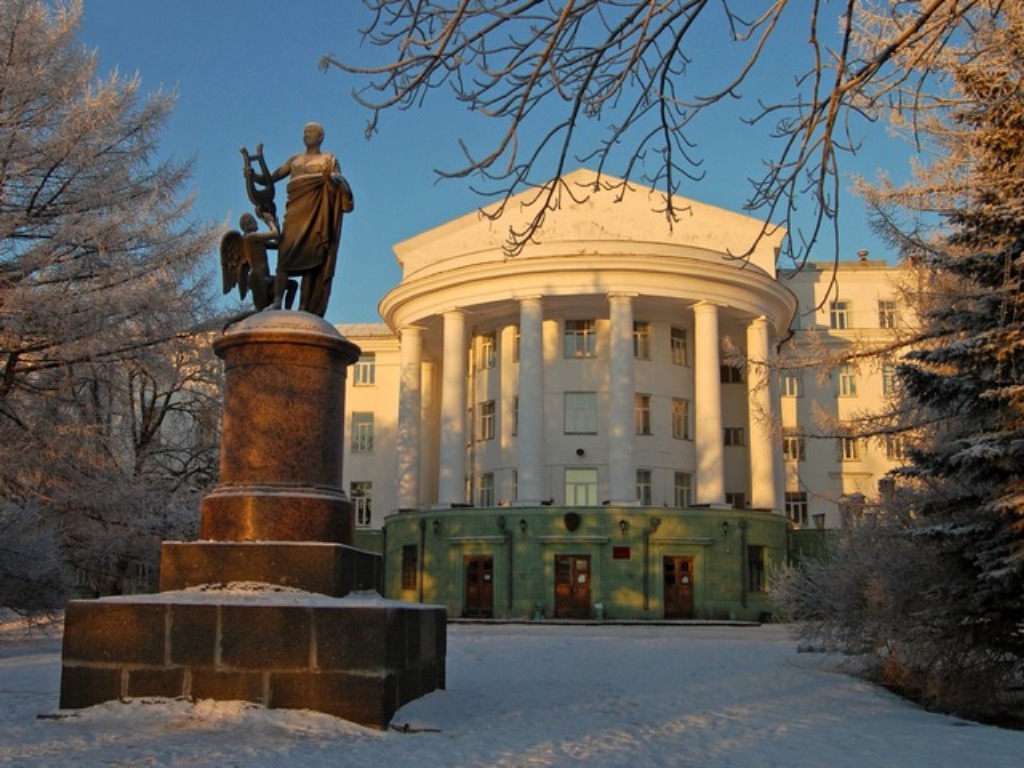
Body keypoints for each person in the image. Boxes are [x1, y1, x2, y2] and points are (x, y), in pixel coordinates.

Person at [258, 122, 353, 317]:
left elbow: (339, 183)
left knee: (312, 260)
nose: (306, 134)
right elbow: (271, 178)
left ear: (320, 137)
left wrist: (330, 178)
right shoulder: (295, 160)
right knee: (284, 257)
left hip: (317, 213)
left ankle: (303, 306)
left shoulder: (328, 159)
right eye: (304, 132)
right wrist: (253, 175)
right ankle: (277, 300)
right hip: (295, 213)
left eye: (311, 132)